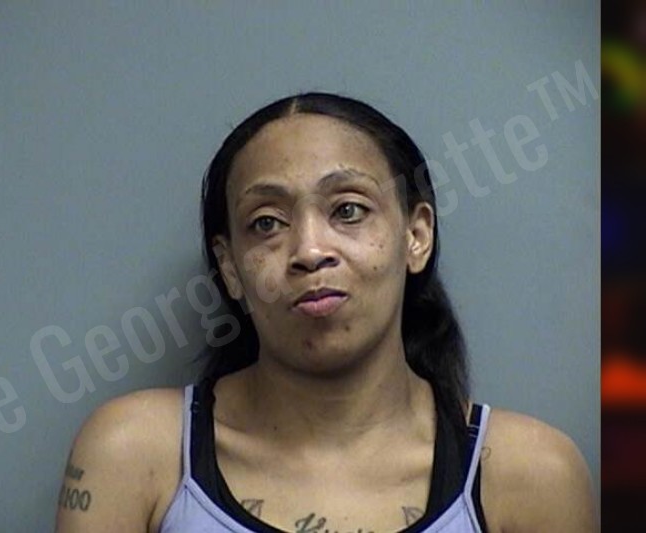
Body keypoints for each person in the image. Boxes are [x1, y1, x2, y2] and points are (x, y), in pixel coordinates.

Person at [55, 93, 597, 532]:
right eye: (267, 222)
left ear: (416, 235)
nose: (310, 251)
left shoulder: (531, 472)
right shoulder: (133, 452)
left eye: (349, 210)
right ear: (230, 267)